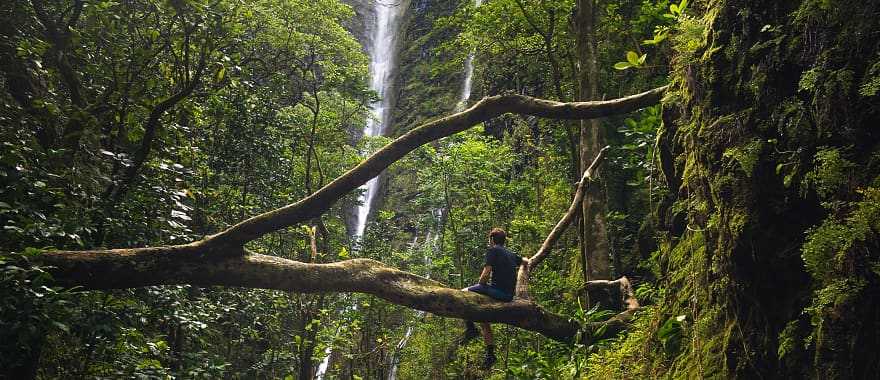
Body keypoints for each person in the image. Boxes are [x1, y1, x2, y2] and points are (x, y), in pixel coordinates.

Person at [461, 227, 527, 369]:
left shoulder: (493, 251)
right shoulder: (510, 253)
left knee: (463, 293)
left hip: (498, 292)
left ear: (492, 240)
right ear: (504, 240)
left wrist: (481, 287)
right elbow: (525, 261)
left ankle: (471, 329)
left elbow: (485, 274)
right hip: (508, 295)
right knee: (483, 319)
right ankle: (490, 354)